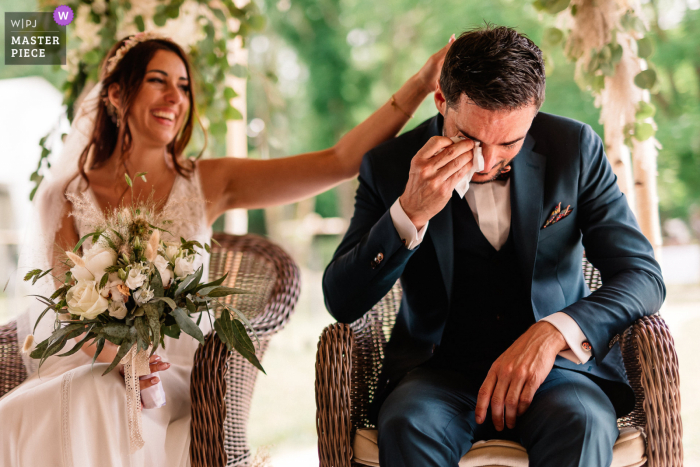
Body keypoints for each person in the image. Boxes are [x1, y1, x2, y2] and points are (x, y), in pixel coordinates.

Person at [0, 32, 451, 466]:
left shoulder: (211, 181)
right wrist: (120, 361)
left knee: (94, 397)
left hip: (175, 370)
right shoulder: (65, 196)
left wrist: (420, 83)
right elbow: (68, 311)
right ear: (116, 95)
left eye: (183, 85)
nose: (176, 97)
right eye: (158, 80)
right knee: (72, 397)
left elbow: (339, 161)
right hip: (90, 361)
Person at [322, 26, 665, 467]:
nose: (485, 162)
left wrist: (554, 331)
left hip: (557, 373)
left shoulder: (574, 149)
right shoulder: (388, 165)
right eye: (470, 139)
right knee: (408, 426)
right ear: (442, 102)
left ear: (534, 114)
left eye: (509, 143)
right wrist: (410, 212)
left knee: (582, 424)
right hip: (436, 374)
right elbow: (341, 300)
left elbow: (642, 275)